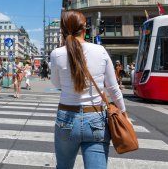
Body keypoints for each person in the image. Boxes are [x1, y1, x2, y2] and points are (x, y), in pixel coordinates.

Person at [50, 10, 128, 169]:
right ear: (84, 27)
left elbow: (56, 84)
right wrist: (123, 112)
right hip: (96, 118)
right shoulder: (100, 50)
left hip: (66, 117)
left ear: (63, 30)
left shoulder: (57, 54)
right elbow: (113, 88)